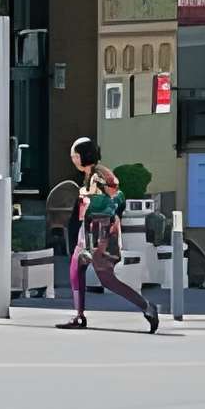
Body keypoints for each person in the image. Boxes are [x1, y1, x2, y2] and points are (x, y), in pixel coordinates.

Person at [57, 137, 157, 332]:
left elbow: (114, 196)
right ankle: (79, 315)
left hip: (100, 232)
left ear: (84, 156)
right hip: (89, 231)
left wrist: (90, 201)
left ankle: (147, 307)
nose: (73, 160)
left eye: (75, 155)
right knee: (76, 269)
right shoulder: (90, 175)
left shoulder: (100, 175)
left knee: (107, 279)